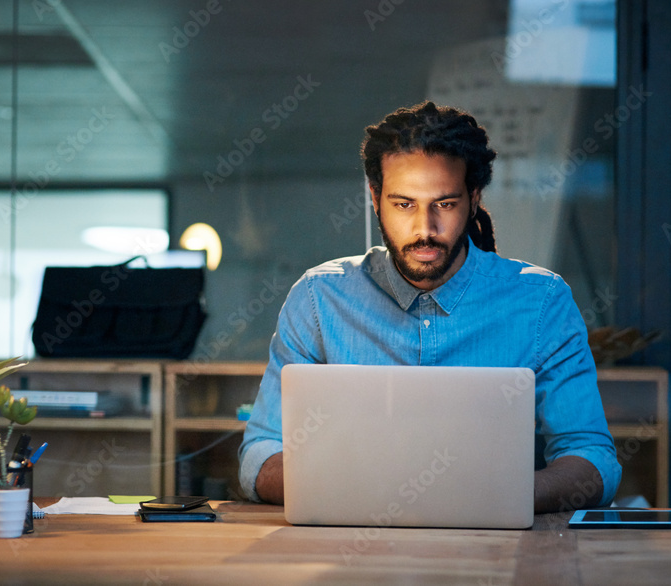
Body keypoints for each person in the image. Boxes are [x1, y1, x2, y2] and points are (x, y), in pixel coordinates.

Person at [238, 101, 621, 513]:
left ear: (473, 199)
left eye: (445, 204)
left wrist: (506, 494)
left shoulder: (542, 303)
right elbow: (259, 455)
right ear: (375, 198)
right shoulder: (318, 299)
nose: (424, 229)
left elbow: (593, 458)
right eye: (404, 204)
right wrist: (354, 488)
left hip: (495, 556)